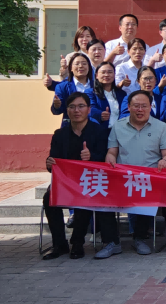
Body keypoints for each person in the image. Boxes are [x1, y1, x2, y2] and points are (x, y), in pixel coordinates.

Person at [42, 92, 112, 260]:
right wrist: (49, 163)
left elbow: (105, 159)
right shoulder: (60, 134)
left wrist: (91, 157)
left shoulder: (99, 132)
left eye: (81, 106)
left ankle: (77, 242)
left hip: (90, 180)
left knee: (84, 197)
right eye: (72, 107)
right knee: (48, 198)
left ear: (89, 109)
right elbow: (54, 162)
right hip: (66, 182)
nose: (76, 110)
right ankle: (59, 244)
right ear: (67, 110)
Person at [105, 90, 166, 256]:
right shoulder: (118, 126)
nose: (140, 109)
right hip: (122, 179)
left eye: (144, 106)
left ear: (150, 107)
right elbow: (112, 152)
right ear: (128, 107)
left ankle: (140, 238)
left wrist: (165, 161)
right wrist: (110, 159)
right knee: (102, 198)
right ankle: (112, 242)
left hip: (149, 180)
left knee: (146, 194)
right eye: (136, 106)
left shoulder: (161, 127)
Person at [51, 53, 97, 125]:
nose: (81, 66)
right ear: (71, 68)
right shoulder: (62, 87)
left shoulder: (97, 86)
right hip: (71, 127)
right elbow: (56, 112)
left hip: (94, 126)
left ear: (89, 67)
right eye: (77, 64)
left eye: (84, 63)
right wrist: (57, 106)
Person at [90, 61, 125, 131]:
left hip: (119, 131)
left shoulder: (121, 93)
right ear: (96, 76)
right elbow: (90, 108)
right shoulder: (91, 92)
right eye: (103, 72)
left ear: (114, 75)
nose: (106, 75)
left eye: (110, 72)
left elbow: (125, 112)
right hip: (99, 131)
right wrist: (100, 114)